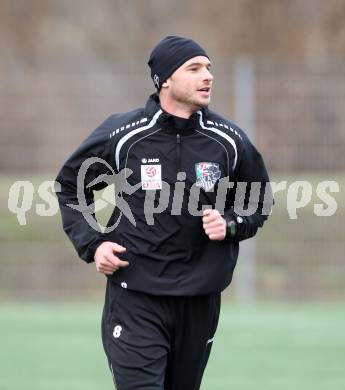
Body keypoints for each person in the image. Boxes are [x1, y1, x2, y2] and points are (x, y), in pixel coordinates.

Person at [56, 35, 273, 390]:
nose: (208, 76)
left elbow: (258, 199)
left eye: (209, 68)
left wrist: (231, 223)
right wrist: (94, 244)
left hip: (199, 300)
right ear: (165, 79)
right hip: (135, 297)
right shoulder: (123, 134)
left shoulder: (229, 139)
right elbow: (70, 186)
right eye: (195, 68)